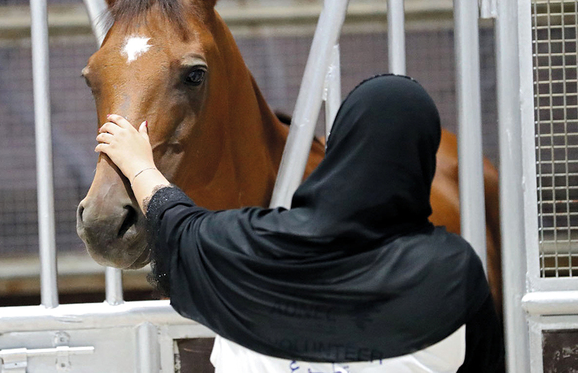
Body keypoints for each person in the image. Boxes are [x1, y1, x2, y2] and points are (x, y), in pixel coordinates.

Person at [95, 74, 504, 373]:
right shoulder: (454, 270)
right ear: (421, 159)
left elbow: (178, 227)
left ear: (340, 147)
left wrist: (138, 167)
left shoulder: (244, 243)